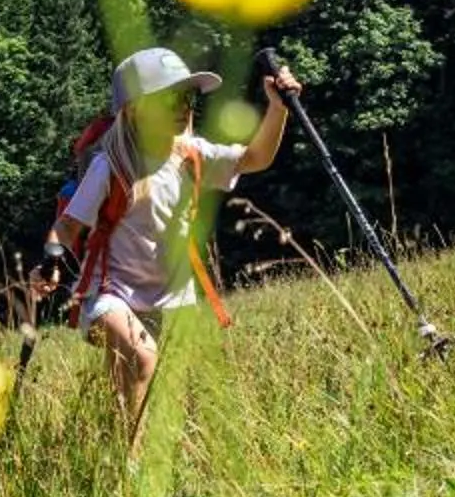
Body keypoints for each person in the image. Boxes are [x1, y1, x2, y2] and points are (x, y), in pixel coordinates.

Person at [47, 46, 296, 444]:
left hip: (173, 299)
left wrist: (277, 108)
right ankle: (132, 465)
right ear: (134, 110)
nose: (183, 107)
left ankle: (121, 446)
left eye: (187, 97)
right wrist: (52, 260)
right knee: (142, 358)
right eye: (168, 98)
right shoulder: (110, 165)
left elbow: (256, 157)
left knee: (159, 390)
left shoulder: (192, 156)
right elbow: (68, 226)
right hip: (114, 295)